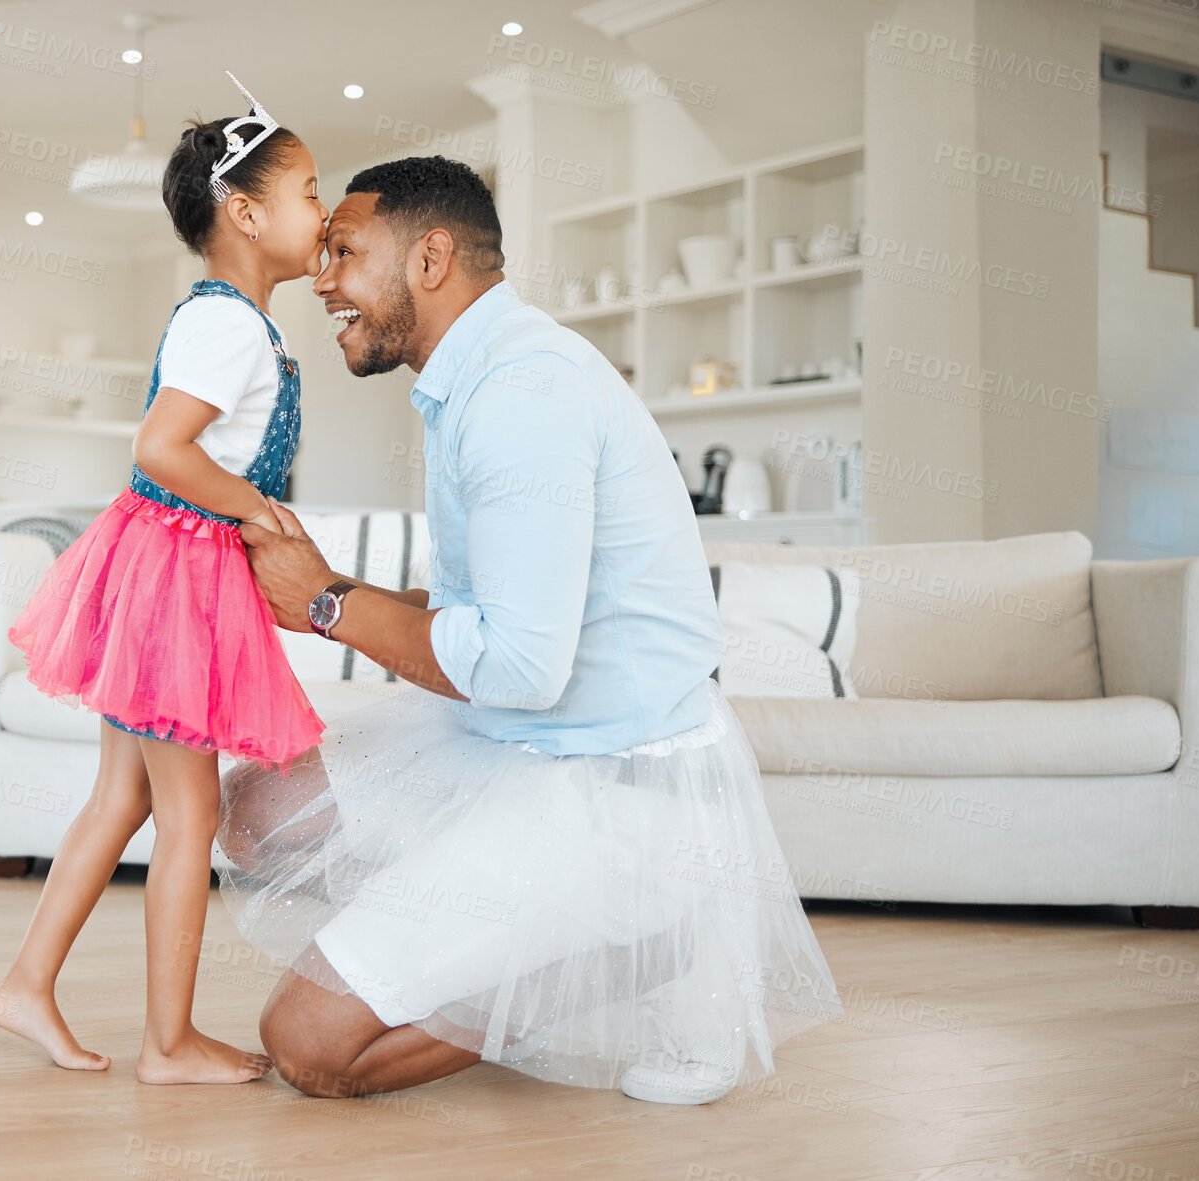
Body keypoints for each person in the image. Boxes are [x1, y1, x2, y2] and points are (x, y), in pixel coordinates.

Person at [221, 156, 843, 1103]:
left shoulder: (521, 394)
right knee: (257, 809)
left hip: (613, 780)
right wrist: (330, 588)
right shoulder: (471, 377)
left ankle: (648, 933)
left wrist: (329, 603)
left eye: (345, 251)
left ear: (431, 257)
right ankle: (481, 913)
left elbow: (516, 666)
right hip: (516, 739)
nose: (323, 278)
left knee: (307, 1046)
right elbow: (485, 618)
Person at [0, 75, 328, 1085]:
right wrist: (262, 511)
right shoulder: (228, 326)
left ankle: (27, 984)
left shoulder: (232, 320)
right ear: (247, 211)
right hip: (178, 573)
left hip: (162, 565)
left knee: (121, 799)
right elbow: (164, 448)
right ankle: (168, 1041)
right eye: (310, 190)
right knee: (189, 814)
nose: (324, 211)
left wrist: (254, 508)